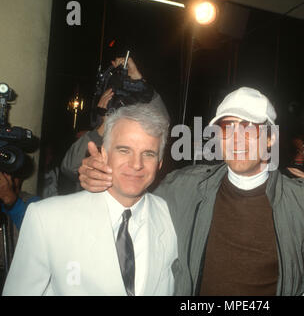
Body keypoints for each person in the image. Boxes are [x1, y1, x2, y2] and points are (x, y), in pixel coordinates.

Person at [79, 86, 304, 296]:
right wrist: (103, 178)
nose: (238, 139)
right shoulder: (186, 187)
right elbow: (132, 196)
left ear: (271, 138)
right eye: (229, 129)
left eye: (251, 130)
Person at [2, 103, 177, 296]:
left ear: (160, 163)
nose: (136, 164)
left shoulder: (172, 217)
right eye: (124, 150)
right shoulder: (47, 218)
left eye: (148, 154)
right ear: (104, 154)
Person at [60, 56, 169, 192]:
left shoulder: (160, 206)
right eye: (124, 151)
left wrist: (140, 84)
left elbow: (160, 127)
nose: (136, 165)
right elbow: (70, 167)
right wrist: (104, 126)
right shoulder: (96, 139)